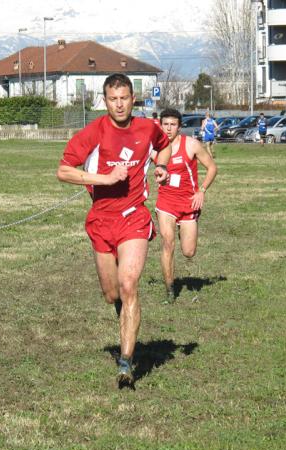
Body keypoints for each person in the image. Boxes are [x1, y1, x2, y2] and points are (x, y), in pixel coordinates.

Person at [56, 73, 171, 387]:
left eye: (124, 98)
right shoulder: (94, 132)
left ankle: (126, 363)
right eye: (112, 99)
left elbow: (164, 147)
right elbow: (63, 171)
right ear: (104, 101)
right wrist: (105, 179)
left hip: (134, 217)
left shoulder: (148, 127)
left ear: (133, 98)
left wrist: (161, 167)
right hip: (101, 221)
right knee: (111, 294)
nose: (119, 105)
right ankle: (125, 314)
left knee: (129, 284)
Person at [156, 108, 217, 304]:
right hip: (166, 202)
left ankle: (185, 227)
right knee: (167, 243)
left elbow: (212, 167)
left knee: (188, 252)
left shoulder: (191, 145)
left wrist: (202, 191)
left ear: (179, 127)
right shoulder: (154, 149)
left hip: (188, 202)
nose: (168, 129)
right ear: (160, 125)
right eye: (165, 124)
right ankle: (169, 290)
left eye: (173, 125)